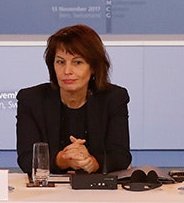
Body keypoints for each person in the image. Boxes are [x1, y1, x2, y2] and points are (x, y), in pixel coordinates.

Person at [16, 24, 132, 174]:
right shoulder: (31, 100)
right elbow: (26, 159)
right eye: (60, 62)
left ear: (93, 67)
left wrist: (93, 162)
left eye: (77, 62)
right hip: (48, 194)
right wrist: (63, 159)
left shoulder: (114, 98)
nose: (67, 71)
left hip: (98, 194)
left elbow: (121, 156)